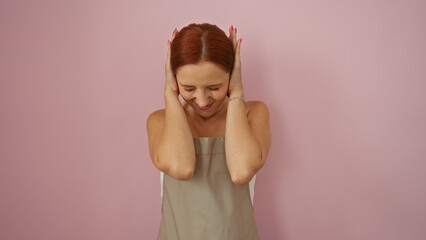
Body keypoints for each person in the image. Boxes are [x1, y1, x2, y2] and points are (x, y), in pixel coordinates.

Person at [146, 23, 271, 240]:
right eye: (188, 88)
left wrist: (237, 92)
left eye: (214, 88)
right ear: (174, 79)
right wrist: (170, 95)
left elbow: (241, 172)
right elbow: (181, 167)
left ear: (231, 75)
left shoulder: (253, 114)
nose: (202, 101)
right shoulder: (159, 122)